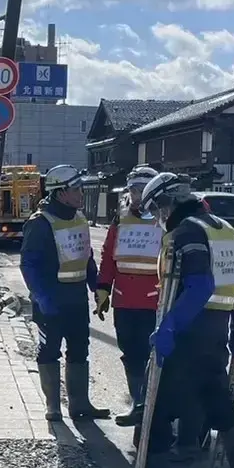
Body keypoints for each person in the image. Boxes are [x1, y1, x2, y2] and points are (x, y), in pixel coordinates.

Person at [110, 172, 234, 468]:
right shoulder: (224, 229)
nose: (158, 218)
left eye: (157, 210)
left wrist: (170, 328)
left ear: (169, 203)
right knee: (218, 403)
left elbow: (200, 286)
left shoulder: (186, 232)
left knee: (157, 408)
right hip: (215, 334)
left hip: (187, 333)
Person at [20, 165, 109, 421]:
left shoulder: (79, 219)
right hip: (51, 301)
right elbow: (28, 265)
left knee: (79, 349)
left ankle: (80, 404)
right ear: (60, 193)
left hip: (76, 299)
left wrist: (97, 287)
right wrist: (41, 297)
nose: (81, 193)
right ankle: (53, 406)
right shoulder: (40, 223)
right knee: (49, 351)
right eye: (76, 189)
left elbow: (87, 258)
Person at [94, 165, 165, 427]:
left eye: (141, 190)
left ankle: (154, 406)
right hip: (124, 298)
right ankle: (138, 403)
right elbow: (108, 254)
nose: (136, 196)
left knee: (152, 354)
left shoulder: (164, 218)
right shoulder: (121, 217)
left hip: (155, 300)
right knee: (130, 353)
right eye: (133, 190)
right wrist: (103, 287)